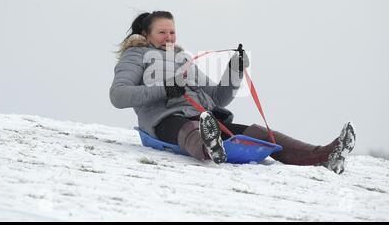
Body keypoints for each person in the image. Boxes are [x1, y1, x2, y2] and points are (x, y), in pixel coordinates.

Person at [110, 11, 356, 174]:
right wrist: (167, 88)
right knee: (191, 129)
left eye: (172, 31)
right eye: (161, 32)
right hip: (165, 121)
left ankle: (324, 155)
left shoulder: (182, 59)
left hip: (204, 118)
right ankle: (209, 147)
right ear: (146, 35)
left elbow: (217, 98)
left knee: (258, 132)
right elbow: (118, 95)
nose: (168, 37)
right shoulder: (136, 56)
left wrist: (234, 70)